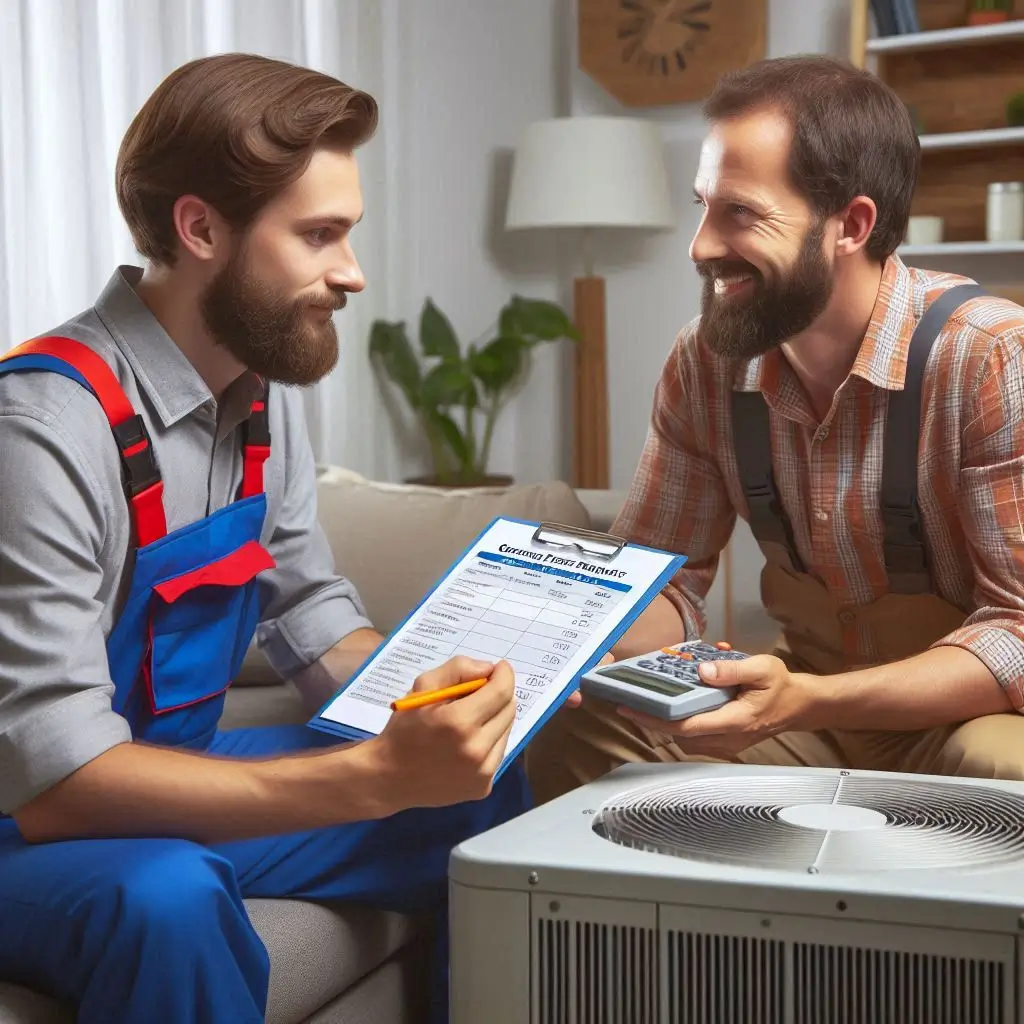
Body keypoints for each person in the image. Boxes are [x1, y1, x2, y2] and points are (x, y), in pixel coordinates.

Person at [0, 53, 533, 1024]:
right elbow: (57, 783)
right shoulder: (42, 428)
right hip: (25, 824)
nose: (353, 273)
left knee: (481, 789)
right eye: (319, 236)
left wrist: (428, 698)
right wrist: (368, 776)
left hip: (164, 779)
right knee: (168, 898)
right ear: (201, 228)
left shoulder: (259, 395)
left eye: (349, 232)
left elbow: (314, 618)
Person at [526, 54, 1024, 804]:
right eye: (703, 206)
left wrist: (807, 699)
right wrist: (564, 631)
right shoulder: (706, 361)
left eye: (741, 213)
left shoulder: (989, 357)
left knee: (1005, 775)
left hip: (965, 717)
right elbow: (663, 579)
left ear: (850, 225)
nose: (699, 246)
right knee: (576, 727)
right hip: (806, 715)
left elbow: (1018, 635)